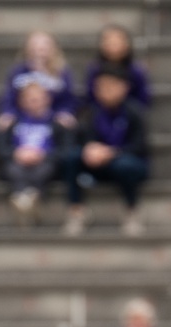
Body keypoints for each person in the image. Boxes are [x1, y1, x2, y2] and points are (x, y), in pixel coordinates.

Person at [63, 64, 149, 237]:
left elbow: (139, 146)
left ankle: (131, 212)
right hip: (98, 163)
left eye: (110, 86)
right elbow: (82, 139)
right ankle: (77, 211)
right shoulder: (91, 112)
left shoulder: (134, 112)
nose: (105, 91)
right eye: (101, 87)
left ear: (124, 87)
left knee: (125, 166)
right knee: (72, 157)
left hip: (127, 162)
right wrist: (90, 149)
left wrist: (111, 152)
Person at [0, 80, 64, 224]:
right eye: (29, 98)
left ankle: (25, 200)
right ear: (21, 101)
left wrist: (43, 155)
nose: (33, 101)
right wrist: (16, 153)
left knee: (44, 170)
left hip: (45, 162)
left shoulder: (57, 123)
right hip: (17, 162)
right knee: (13, 170)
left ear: (47, 99)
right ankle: (28, 200)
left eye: (37, 98)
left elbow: (64, 149)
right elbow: (0, 148)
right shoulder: (11, 122)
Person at [0, 32, 80, 136]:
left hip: (52, 119)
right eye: (35, 45)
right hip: (22, 119)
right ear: (27, 48)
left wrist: (65, 112)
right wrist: (8, 113)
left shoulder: (62, 73)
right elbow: (9, 97)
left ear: (53, 48)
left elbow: (68, 98)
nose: (39, 50)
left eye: (44, 46)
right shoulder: (18, 71)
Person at [84, 24, 151, 110]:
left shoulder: (136, 71)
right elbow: (90, 98)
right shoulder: (94, 69)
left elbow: (143, 99)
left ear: (127, 44)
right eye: (108, 40)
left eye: (118, 40)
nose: (113, 43)